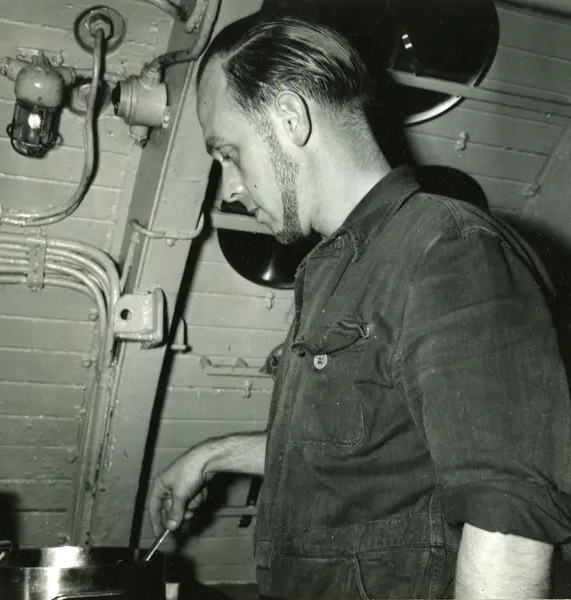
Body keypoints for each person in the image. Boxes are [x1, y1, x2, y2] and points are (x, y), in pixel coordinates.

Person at [148, 14, 571, 599]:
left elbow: (509, 519)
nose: (229, 189)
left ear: (290, 119)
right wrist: (212, 456)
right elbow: (361, 454)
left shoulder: (447, 250)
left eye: (229, 153)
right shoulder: (335, 269)